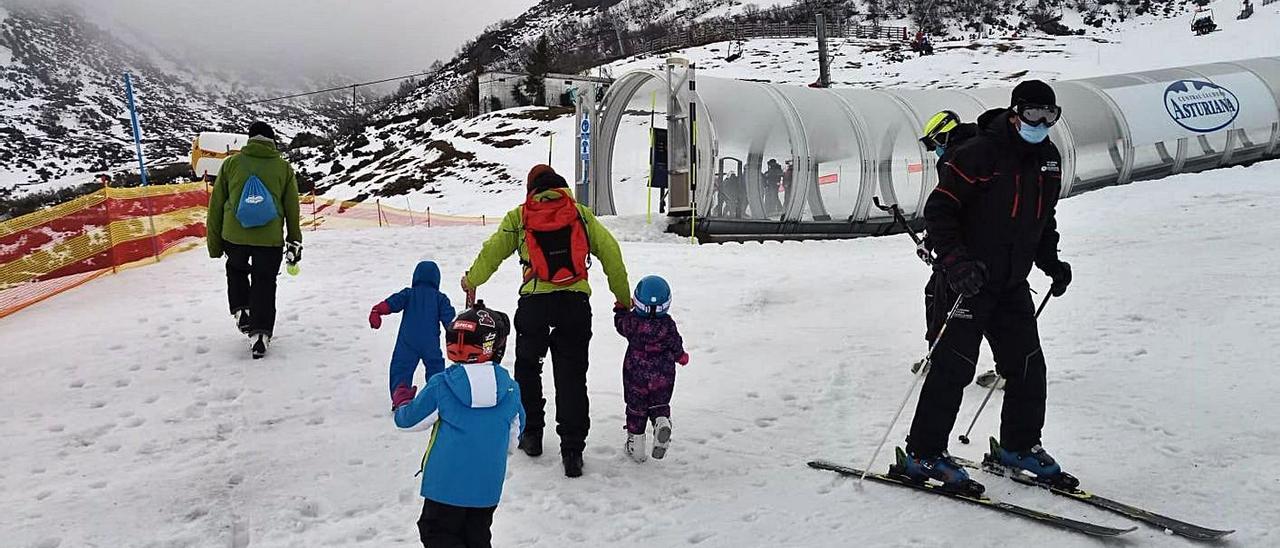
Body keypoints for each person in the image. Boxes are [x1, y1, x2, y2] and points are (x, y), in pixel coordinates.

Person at [895, 80, 1074, 493]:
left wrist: (1051, 262)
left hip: (1011, 283)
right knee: (953, 367)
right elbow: (939, 211)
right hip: (967, 283)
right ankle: (924, 453)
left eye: (1051, 115)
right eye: (1034, 114)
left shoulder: (1048, 159)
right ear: (1015, 112)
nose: (1042, 123)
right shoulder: (979, 154)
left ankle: (1019, 446)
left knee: (1028, 366)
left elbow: (1043, 218)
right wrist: (956, 262)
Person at [461, 164, 630, 478]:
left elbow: (493, 251)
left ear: (531, 188)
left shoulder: (520, 216)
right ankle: (573, 449)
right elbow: (611, 253)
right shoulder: (580, 214)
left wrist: (472, 280)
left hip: (535, 306)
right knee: (571, 376)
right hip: (575, 306)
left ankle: (532, 435)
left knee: (528, 367)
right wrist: (623, 296)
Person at [393, 302, 524, 548]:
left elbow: (409, 421)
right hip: (486, 488)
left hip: (444, 487)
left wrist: (402, 401)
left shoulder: (442, 385)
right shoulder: (510, 389)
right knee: (477, 537)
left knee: (437, 533)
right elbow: (513, 439)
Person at [206, 121, 302, 359]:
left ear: (249, 140)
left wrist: (215, 245)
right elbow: (292, 208)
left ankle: (240, 310)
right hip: (269, 240)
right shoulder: (283, 168)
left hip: (234, 236)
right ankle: (260, 334)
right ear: (272, 141)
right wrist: (294, 241)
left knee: (236, 270)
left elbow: (215, 206)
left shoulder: (231, 164)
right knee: (265, 282)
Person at [614, 275, 688, 463]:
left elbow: (620, 325)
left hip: (635, 376)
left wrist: (620, 309)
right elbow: (676, 343)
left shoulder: (632, 323)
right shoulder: (668, 325)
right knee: (659, 405)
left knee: (636, 410)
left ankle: (636, 446)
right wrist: (681, 356)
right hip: (663, 376)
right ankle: (661, 421)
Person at [370, 260, 457, 406]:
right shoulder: (440, 298)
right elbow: (450, 320)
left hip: (407, 341)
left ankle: (400, 395)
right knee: (435, 366)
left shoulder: (408, 294)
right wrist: (457, 333)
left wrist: (377, 311)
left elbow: (392, 303)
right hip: (430, 342)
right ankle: (436, 395)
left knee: (401, 366)